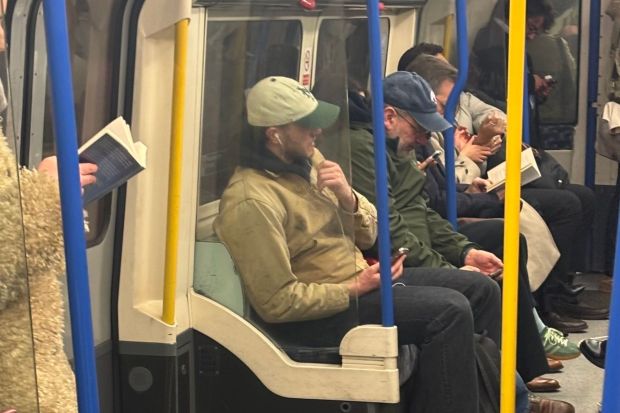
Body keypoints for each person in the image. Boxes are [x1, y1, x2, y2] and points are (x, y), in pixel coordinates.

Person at [214, 75, 500, 413]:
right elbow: (277, 303)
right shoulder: (252, 201)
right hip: (325, 313)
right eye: (306, 126)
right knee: (449, 311)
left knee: (479, 287)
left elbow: (368, 235)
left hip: (360, 281)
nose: (317, 132)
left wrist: (347, 197)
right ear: (274, 134)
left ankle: (502, 395)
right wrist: (353, 287)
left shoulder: (308, 164)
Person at [348, 71, 578, 409]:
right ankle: (506, 399)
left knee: (497, 250)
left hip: (415, 246)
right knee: (477, 290)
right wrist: (448, 267)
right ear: (389, 117)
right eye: (420, 129)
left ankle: (510, 387)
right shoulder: (365, 150)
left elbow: (422, 212)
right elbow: (391, 229)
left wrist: (465, 252)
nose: (425, 137)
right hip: (392, 262)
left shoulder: (396, 147)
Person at [406, 51, 606, 327]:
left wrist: (483, 140)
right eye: (442, 104)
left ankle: (554, 296)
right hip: (458, 201)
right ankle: (542, 309)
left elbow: (493, 114)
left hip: (466, 191)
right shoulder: (422, 136)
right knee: (553, 210)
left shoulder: (451, 111)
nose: (448, 111)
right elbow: (440, 191)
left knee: (580, 196)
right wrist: (472, 154)